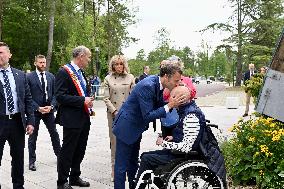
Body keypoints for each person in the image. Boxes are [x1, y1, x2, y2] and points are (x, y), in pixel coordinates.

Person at [112, 62, 187, 189]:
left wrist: (171, 103)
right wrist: (169, 105)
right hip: (126, 128)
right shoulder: (148, 85)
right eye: (176, 80)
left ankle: (133, 186)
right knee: (121, 167)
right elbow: (148, 115)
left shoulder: (158, 83)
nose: (177, 83)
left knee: (133, 163)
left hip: (135, 128)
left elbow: (157, 104)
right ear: (166, 77)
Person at [135, 86, 226, 188]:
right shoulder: (187, 110)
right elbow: (188, 135)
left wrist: (164, 143)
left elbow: (187, 147)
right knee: (145, 155)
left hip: (184, 155)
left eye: (172, 96)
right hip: (183, 153)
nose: (169, 99)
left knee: (147, 159)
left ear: (179, 99)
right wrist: (174, 138)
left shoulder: (191, 116)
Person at [55, 46, 93, 189]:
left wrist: (87, 100)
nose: (89, 60)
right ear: (81, 56)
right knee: (68, 150)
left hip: (84, 117)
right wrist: (82, 100)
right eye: (88, 57)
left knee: (80, 149)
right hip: (71, 119)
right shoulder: (64, 72)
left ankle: (74, 177)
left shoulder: (81, 73)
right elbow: (59, 96)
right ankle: (62, 181)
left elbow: (82, 92)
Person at [0, 42, 34, 189]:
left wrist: (31, 121)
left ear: (9, 55)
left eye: (1, 52)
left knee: (18, 158)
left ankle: (18, 185)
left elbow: (27, 99)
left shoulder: (20, 75)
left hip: (17, 122)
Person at [103, 55, 135, 181]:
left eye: (121, 64)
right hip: (113, 114)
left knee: (127, 140)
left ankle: (126, 168)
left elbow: (133, 96)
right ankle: (114, 170)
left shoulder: (131, 77)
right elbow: (104, 97)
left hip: (127, 114)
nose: (119, 66)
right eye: (116, 64)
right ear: (112, 65)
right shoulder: (107, 78)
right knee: (115, 142)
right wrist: (114, 111)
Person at [27, 54, 61, 171]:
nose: (43, 64)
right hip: (35, 112)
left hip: (49, 110)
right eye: (40, 62)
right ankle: (32, 161)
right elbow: (27, 96)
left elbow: (56, 93)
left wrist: (51, 106)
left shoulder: (51, 76)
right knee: (33, 137)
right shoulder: (29, 77)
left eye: (44, 62)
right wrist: (37, 108)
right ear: (35, 63)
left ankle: (60, 156)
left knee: (54, 134)